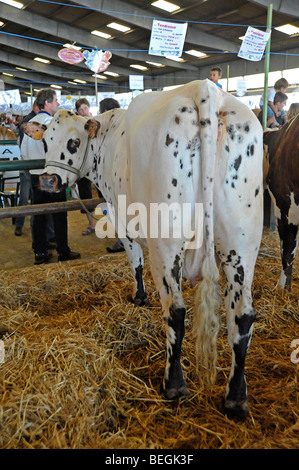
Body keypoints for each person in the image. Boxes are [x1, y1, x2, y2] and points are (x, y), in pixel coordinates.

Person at [21, 88, 80, 265]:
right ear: (47, 103)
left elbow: (23, 153)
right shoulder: (53, 123)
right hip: (52, 176)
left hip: (35, 176)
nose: (58, 103)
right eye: (55, 100)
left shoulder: (29, 124)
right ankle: (63, 251)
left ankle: (40, 253)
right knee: (58, 214)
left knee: (38, 215)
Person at [98, 98, 125, 253]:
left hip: (112, 174)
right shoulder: (126, 122)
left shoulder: (105, 129)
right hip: (126, 173)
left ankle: (123, 240)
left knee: (113, 207)